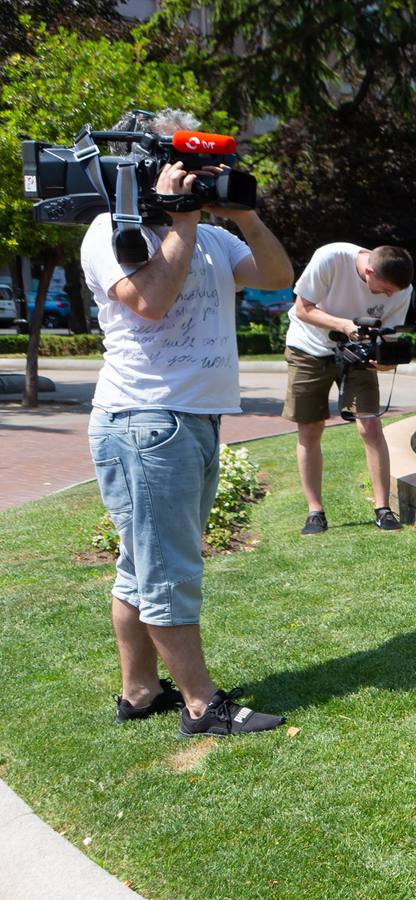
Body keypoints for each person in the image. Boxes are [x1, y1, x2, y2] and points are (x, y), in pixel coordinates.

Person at [84, 109, 295, 737]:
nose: (202, 180)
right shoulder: (112, 231)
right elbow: (148, 303)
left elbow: (278, 278)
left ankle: (141, 692)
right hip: (144, 420)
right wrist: (181, 223)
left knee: (140, 564)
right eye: (191, 168)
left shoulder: (212, 235)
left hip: (192, 420)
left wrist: (244, 214)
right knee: (168, 569)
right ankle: (203, 705)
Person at [283, 242, 416, 535]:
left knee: (370, 425)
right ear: (369, 270)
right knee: (310, 428)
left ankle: (383, 509)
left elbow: (388, 339)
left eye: (394, 291)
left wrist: (384, 363)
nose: (390, 296)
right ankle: (315, 512)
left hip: (358, 354)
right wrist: (344, 326)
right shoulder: (330, 258)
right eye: (384, 290)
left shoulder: (402, 289)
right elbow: (302, 308)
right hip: (308, 346)